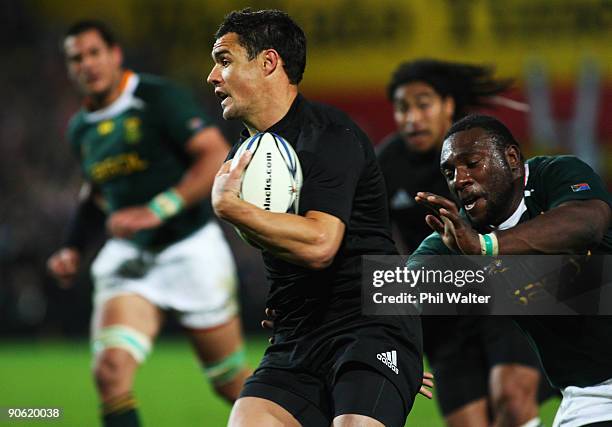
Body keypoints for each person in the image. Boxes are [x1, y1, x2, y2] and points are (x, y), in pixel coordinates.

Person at [207, 8, 423, 427]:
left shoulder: (328, 135)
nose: (213, 77)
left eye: (225, 60)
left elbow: (322, 244)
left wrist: (233, 208)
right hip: (297, 337)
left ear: (269, 62)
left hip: (368, 326)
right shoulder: (244, 157)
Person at [47, 20, 249, 427]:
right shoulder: (80, 128)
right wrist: (72, 246)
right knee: (110, 374)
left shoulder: (157, 97)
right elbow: (95, 192)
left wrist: (158, 208)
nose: (86, 64)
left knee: (230, 385)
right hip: (132, 259)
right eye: (76, 58)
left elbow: (215, 155)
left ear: (114, 54)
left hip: (189, 249)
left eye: (93, 53)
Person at [410, 114, 612, 427]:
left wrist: (486, 248)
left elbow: (587, 223)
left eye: (472, 163)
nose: (459, 179)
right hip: (591, 395)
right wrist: (393, 348)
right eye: (449, 171)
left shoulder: (555, 175)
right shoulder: (455, 237)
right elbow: (398, 290)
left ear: (513, 159)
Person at [377, 59, 548, 427]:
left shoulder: (484, 153)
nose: (411, 117)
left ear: (448, 105)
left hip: (502, 299)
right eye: (402, 107)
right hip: (444, 315)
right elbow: (367, 238)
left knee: (512, 399)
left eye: (423, 104)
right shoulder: (387, 163)